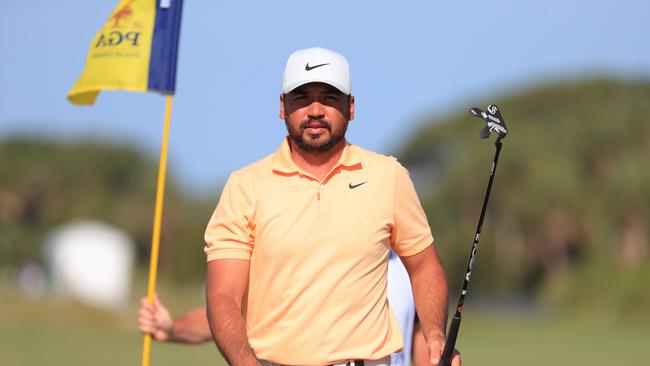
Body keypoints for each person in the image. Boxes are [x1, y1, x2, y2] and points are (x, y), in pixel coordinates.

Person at [205, 47, 458, 366]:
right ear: (282, 107)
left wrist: (436, 336)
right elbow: (222, 296)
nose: (315, 110)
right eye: (301, 97)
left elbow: (424, 267)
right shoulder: (245, 186)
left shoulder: (388, 176)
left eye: (329, 97)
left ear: (351, 107)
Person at [138, 254, 421, 364]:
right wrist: (173, 327)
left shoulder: (413, 271)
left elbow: (417, 334)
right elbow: (234, 315)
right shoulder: (316, 263)